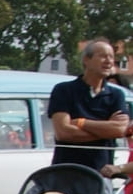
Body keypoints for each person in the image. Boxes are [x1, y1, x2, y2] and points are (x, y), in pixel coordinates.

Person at [48, 39, 131, 171]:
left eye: (111, 57)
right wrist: (106, 131)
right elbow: (63, 133)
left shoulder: (116, 95)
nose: (109, 61)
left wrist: (81, 123)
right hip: (66, 172)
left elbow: (119, 130)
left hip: (101, 174)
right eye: (103, 56)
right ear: (86, 60)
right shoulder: (63, 90)